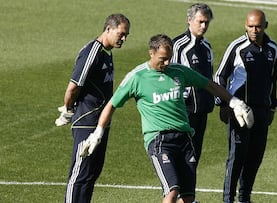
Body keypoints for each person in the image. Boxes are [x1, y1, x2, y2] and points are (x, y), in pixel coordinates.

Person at [80, 34, 253, 203]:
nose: (167, 63)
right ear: (151, 53)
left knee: (187, 198)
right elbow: (112, 104)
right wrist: (98, 132)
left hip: (185, 140)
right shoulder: (137, 77)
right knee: (172, 191)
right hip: (159, 141)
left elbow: (209, 84)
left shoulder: (179, 72)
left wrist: (234, 102)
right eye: (163, 58)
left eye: (169, 58)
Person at [54, 13, 130, 203]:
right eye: (121, 34)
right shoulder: (93, 52)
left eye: (126, 35)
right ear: (108, 29)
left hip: (99, 123)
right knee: (79, 175)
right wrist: (68, 109)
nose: (124, 38)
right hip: (86, 122)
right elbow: (73, 87)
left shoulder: (106, 52)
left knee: (90, 174)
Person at [214, 9, 277, 203]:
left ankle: (244, 198)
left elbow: (273, 79)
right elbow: (220, 75)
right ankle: (228, 199)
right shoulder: (237, 47)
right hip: (240, 111)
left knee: (255, 157)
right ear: (245, 25)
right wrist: (224, 104)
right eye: (250, 26)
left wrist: (272, 107)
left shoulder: (272, 49)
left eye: (258, 26)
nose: (254, 30)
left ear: (265, 26)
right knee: (237, 157)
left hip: (262, 111)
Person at [171, 3, 214, 166]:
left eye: (206, 22)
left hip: (202, 111)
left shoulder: (207, 47)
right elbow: (171, 77)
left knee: (194, 157)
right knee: (180, 156)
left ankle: (188, 192)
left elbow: (210, 78)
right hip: (184, 111)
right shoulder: (178, 46)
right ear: (189, 20)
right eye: (200, 22)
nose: (203, 26)